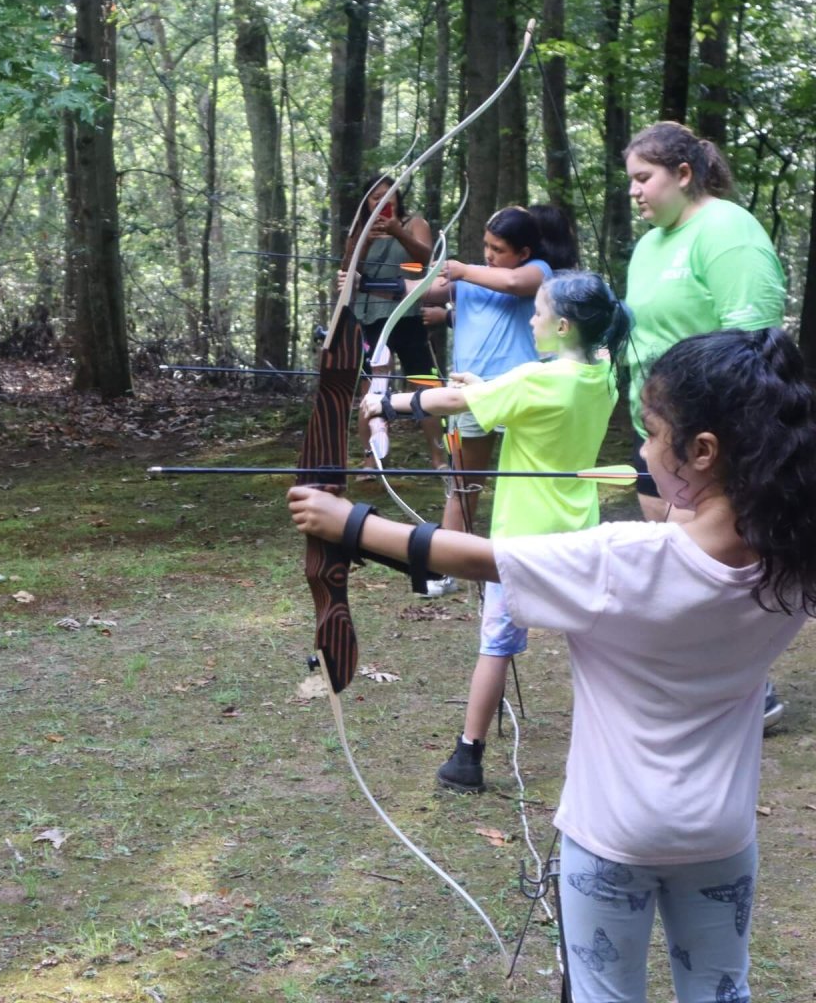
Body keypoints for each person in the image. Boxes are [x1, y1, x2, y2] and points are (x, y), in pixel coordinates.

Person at [289, 326, 816, 1003]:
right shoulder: (793, 560)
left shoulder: (623, 560)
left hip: (613, 836)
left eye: (653, 434)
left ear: (704, 451)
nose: (642, 450)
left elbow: (481, 558)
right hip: (721, 834)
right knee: (721, 992)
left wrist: (348, 523)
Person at [365, 270, 631, 792]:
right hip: (577, 531)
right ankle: (622, 740)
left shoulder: (537, 377)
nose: (531, 320)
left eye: (538, 312)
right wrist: (486, 389)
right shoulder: (604, 373)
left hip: (522, 539)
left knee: (497, 644)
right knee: (593, 641)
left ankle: (467, 758)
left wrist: (387, 404)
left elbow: (452, 405)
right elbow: (530, 409)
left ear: (562, 326)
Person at [624, 120, 788, 727]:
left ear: (684, 173)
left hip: (709, 436)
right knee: (674, 554)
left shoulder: (727, 230)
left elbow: (753, 342)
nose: (634, 191)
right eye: (630, 180)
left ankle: (748, 687)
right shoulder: (648, 245)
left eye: (644, 178)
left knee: (714, 557)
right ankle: (697, 674)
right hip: (657, 429)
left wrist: (710, 433)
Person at [418, 206, 578, 597]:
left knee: (535, 479)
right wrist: (366, 282)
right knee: (463, 482)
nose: (488, 254)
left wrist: (461, 270)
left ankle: (546, 562)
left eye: (498, 248)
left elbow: (510, 282)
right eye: (486, 246)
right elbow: (421, 290)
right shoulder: (473, 274)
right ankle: (446, 569)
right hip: (473, 391)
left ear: (524, 250)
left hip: (523, 390)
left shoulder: (538, 271)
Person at [343, 175, 444, 475]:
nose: (383, 202)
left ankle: (439, 458)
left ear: (398, 197)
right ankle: (372, 459)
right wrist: (364, 242)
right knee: (372, 388)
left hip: (408, 314)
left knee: (425, 383)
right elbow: (347, 272)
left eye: (389, 195)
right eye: (375, 197)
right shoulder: (360, 230)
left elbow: (427, 261)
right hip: (370, 317)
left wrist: (398, 232)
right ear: (366, 203)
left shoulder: (414, 224)